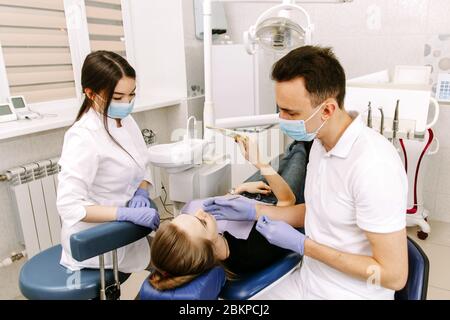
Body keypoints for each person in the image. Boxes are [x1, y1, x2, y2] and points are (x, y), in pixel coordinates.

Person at [203, 46, 409, 300]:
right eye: (279, 109)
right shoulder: (320, 144)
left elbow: (394, 275)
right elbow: (319, 211)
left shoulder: (373, 165)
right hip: (308, 280)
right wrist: (253, 210)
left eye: (291, 112)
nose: (282, 118)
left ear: (327, 110)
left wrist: (304, 246)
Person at [147, 139, 310, 291]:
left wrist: (237, 191)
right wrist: (259, 162)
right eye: (201, 222)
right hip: (279, 200)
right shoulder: (253, 249)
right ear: (208, 247)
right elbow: (288, 202)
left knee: (283, 157)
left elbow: (222, 207)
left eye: (189, 215)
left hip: (249, 194)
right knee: (298, 152)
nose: (200, 212)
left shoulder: (208, 238)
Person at [56, 51, 160, 273]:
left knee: (177, 264)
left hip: (125, 230)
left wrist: (141, 192)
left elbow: (142, 166)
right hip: (95, 239)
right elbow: (69, 205)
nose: (127, 103)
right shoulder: (83, 136)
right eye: (118, 97)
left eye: (132, 95)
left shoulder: (126, 121)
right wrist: (123, 213)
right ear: (91, 93)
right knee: (172, 266)